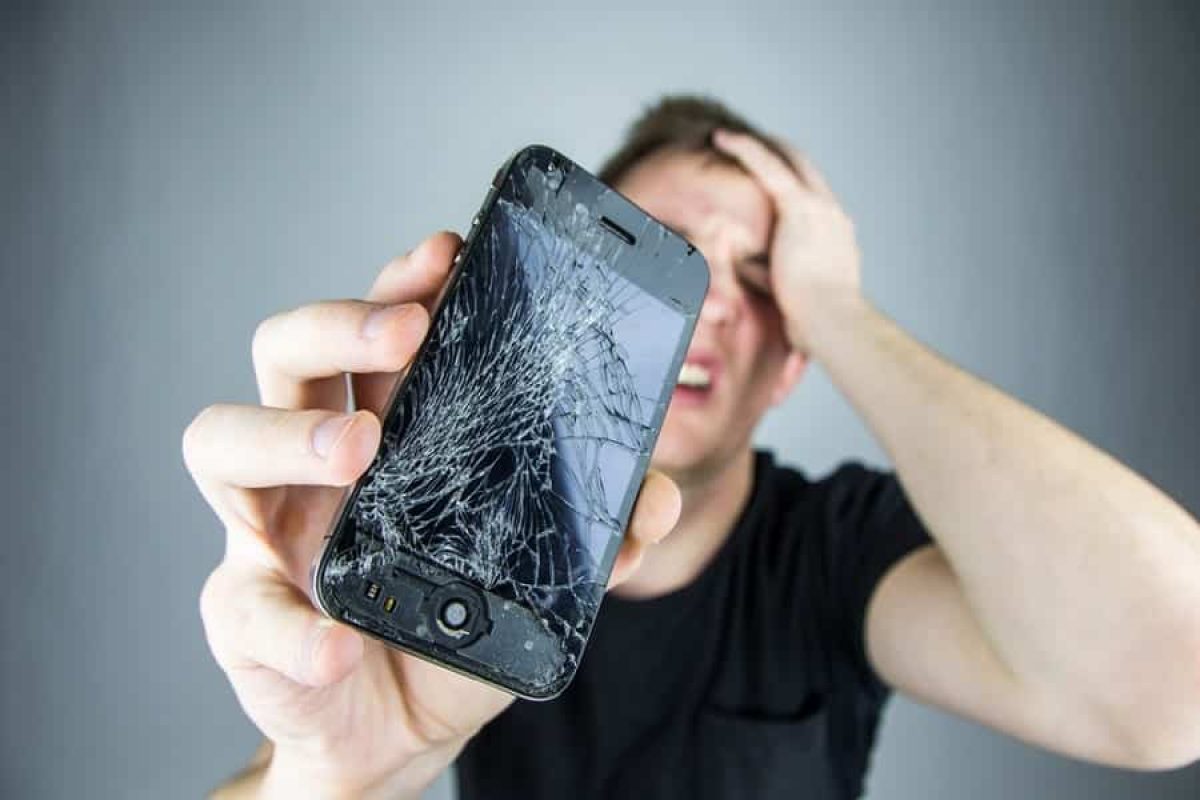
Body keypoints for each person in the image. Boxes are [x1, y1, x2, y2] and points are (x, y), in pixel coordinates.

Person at [183, 96, 1200, 799]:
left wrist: (838, 310)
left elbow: (1176, 675)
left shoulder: (835, 547)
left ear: (788, 362)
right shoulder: (454, 541)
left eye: (760, 278)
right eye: (663, 258)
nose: (705, 308)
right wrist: (340, 776)